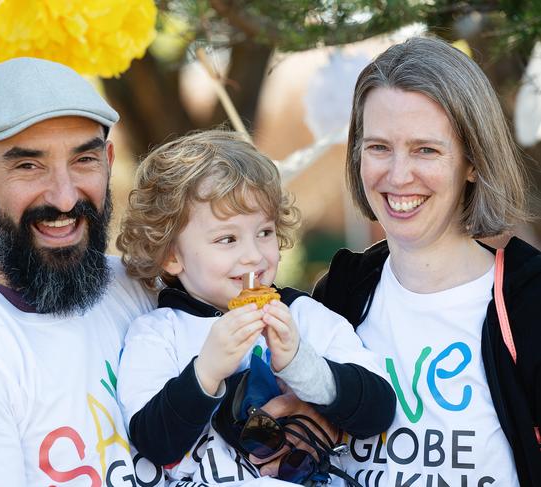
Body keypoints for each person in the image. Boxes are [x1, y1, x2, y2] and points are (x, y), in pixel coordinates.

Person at [0, 58, 165, 487]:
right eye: (28, 165)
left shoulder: (146, 291)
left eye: (84, 160)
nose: (63, 197)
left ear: (109, 160)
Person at [308, 37, 541, 486]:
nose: (397, 176)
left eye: (425, 150)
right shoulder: (339, 296)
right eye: (378, 147)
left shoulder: (529, 304)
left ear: (473, 161)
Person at [115, 130, 396, 486]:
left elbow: (379, 409)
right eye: (227, 239)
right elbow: (154, 443)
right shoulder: (158, 334)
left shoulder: (302, 316)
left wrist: (300, 363)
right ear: (171, 254)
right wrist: (206, 372)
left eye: (264, 232)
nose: (253, 255)